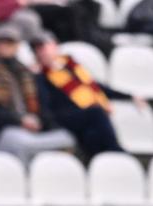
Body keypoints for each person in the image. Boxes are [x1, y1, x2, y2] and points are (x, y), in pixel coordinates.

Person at [31, 30, 136, 161]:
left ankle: (99, 161)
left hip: (80, 115)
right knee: (96, 112)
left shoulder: (70, 65)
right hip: (62, 116)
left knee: (91, 134)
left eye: (44, 47)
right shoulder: (40, 74)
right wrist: (37, 76)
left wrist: (128, 96)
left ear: (55, 45)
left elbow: (95, 86)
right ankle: (117, 150)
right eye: (38, 49)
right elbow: (44, 103)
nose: (42, 52)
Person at [0, 23, 74, 165]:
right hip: (3, 130)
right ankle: (24, 180)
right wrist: (20, 121)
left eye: (9, 42)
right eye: (0, 41)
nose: (4, 45)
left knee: (67, 136)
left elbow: (42, 106)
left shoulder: (26, 73)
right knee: (21, 142)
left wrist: (40, 122)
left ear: (17, 45)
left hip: (32, 127)